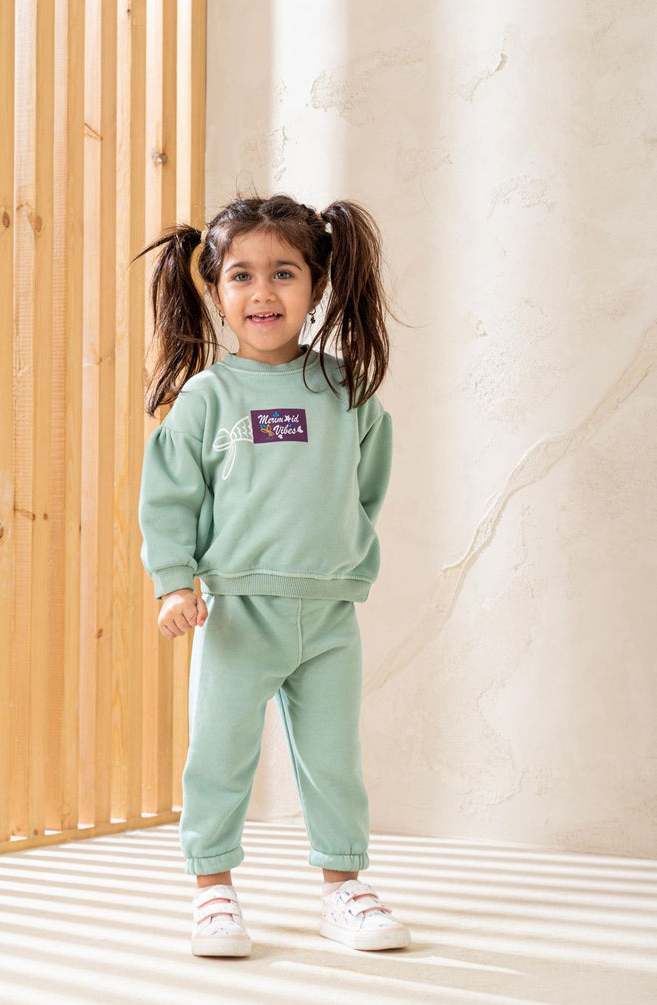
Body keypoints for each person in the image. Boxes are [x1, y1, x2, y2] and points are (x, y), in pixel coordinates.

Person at [137, 194, 411, 957]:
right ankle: (212, 889)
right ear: (215, 288)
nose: (263, 292)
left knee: (333, 760)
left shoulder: (347, 391)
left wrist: (338, 560)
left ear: (317, 283)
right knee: (219, 754)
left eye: (284, 273)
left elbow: (366, 487)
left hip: (328, 617)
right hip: (235, 616)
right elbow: (169, 498)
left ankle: (343, 887)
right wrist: (175, 581)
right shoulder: (208, 397)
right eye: (242, 275)